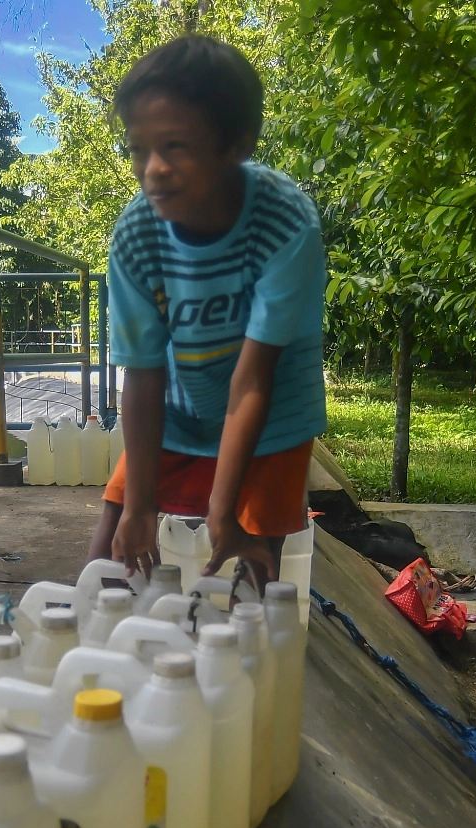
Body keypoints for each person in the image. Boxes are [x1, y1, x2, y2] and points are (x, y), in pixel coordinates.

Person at [87, 36, 326, 591]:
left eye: (175, 146)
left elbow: (253, 379)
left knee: (253, 551)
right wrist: (139, 507)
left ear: (236, 144)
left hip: (271, 410)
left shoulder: (286, 224)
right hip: (177, 401)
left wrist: (224, 509)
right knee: (115, 538)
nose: (154, 170)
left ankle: (251, 655)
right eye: (139, 149)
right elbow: (142, 372)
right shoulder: (136, 236)